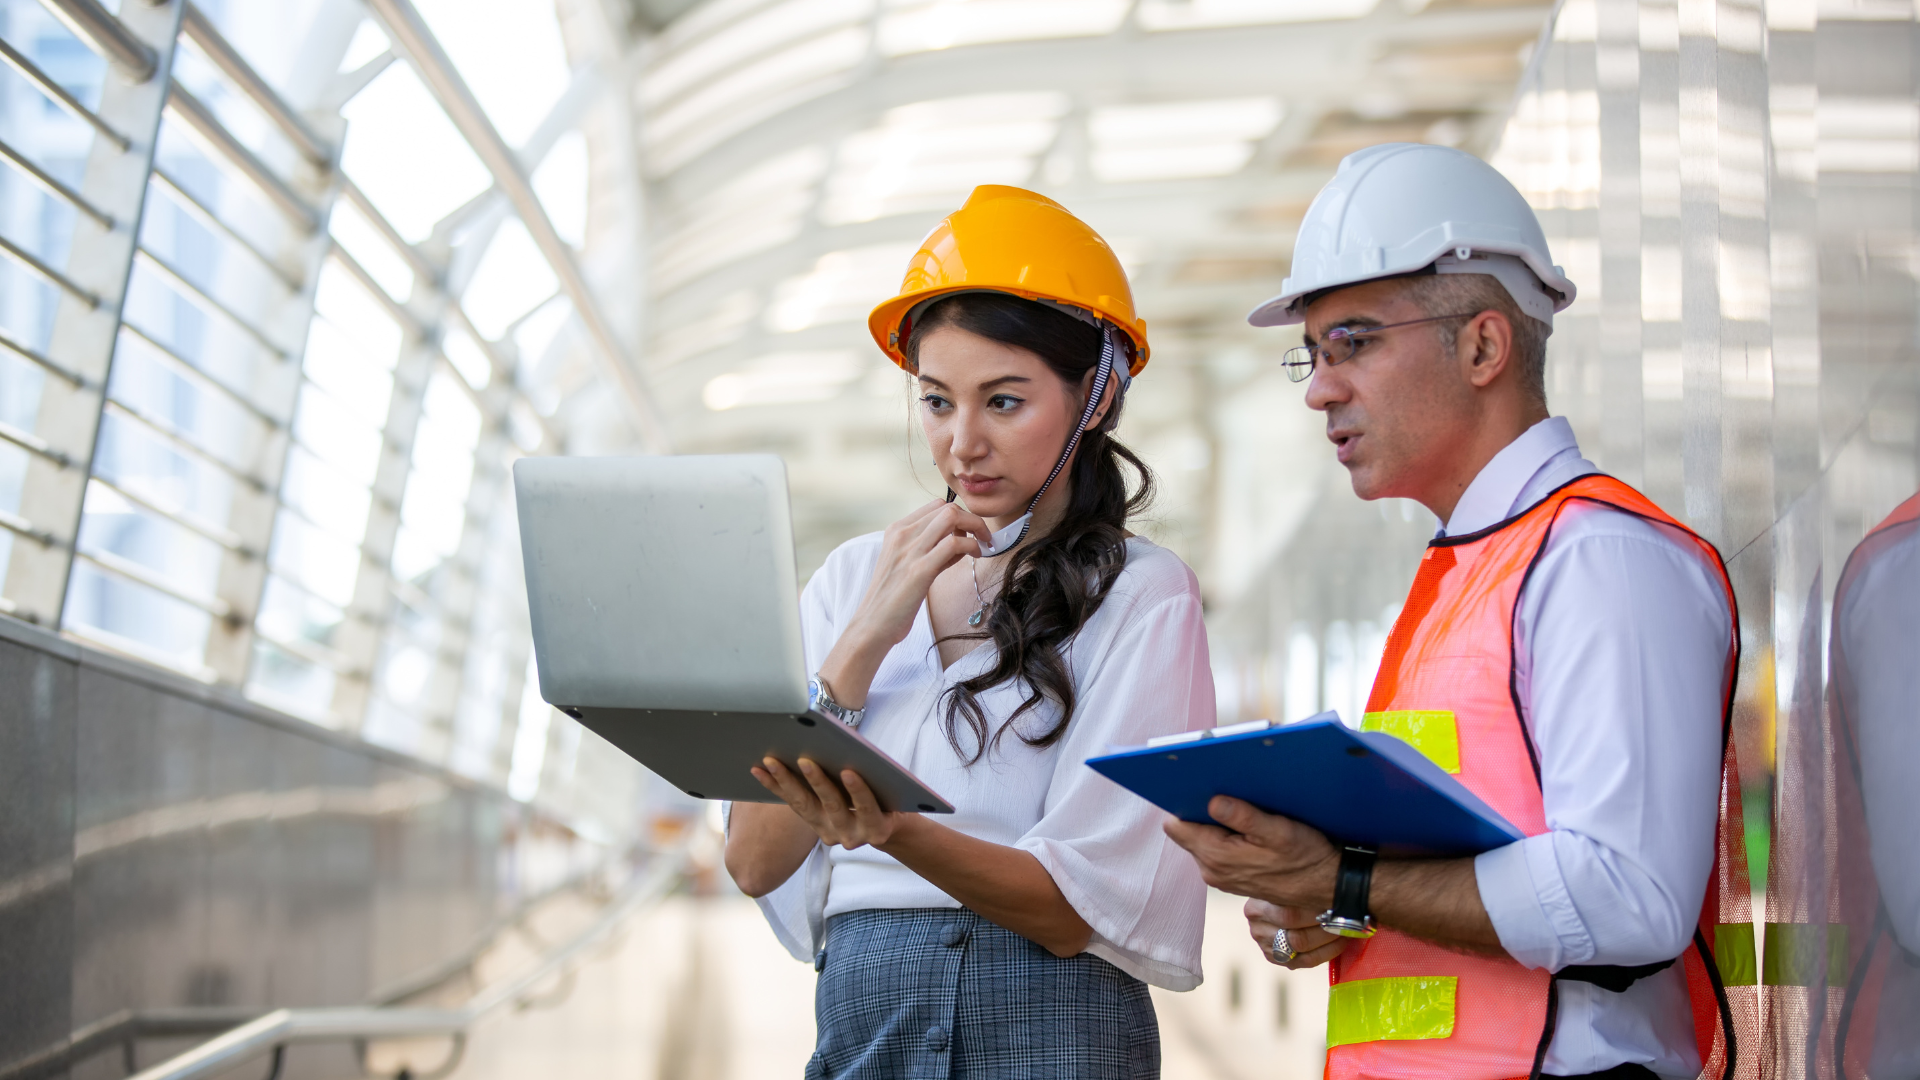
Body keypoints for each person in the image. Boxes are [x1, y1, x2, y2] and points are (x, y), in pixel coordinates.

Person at [1164, 143, 1758, 1078]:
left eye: (1354, 342)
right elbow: (1444, 864)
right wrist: (1327, 907)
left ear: (1483, 346)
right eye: (1312, 353)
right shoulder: (1467, 572)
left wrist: (1343, 879)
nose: (1319, 388)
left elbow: (1631, 895)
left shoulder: (1600, 558)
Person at [723, 185, 1213, 1080]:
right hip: (867, 1030)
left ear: (1097, 397)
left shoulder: (1142, 596)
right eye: (937, 401)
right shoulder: (852, 578)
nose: (962, 444)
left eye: (1004, 402)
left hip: (1054, 1031)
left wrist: (888, 826)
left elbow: (1075, 909)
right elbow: (755, 861)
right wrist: (865, 638)